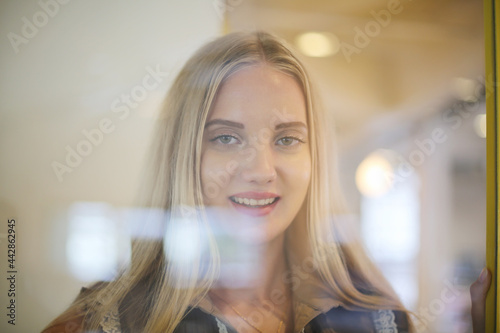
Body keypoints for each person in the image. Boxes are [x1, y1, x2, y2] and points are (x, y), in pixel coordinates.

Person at [42, 31, 489, 333]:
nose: (260, 169)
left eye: (287, 138)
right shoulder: (104, 323)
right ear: (184, 156)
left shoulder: (377, 320)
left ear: (316, 157)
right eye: (226, 137)